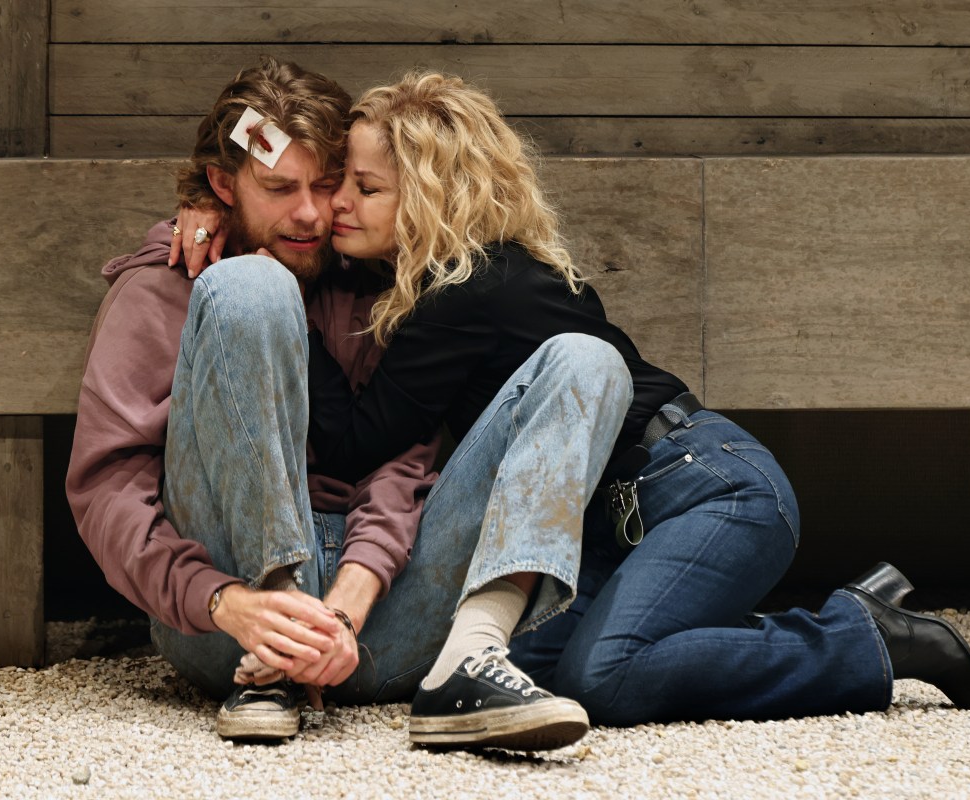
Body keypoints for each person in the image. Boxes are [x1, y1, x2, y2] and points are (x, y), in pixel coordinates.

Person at [186, 70, 970, 727]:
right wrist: (213, 211)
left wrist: (280, 302)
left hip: (705, 485)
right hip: (611, 523)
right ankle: (826, 625)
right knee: (525, 661)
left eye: (362, 188)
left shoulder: (468, 292)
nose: (335, 210)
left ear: (429, 198)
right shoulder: (441, 283)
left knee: (607, 679)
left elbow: (357, 438)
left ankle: (863, 639)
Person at [70, 57, 620, 752]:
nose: (308, 212)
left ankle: (466, 668)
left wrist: (349, 603)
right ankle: (275, 648)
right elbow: (107, 489)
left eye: (327, 185)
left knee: (588, 357)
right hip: (231, 633)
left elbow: (402, 460)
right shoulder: (165, 289)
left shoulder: (371, 281)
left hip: (381, 614)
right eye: (277, 187)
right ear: (221, 184)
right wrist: (228, 602)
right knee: (252, 287)